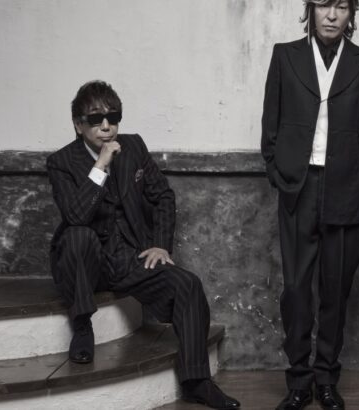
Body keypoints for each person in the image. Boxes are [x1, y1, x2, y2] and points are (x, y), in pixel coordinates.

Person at [47, 80, 240, 409]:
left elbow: (163, 196)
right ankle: (82, 326)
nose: (106, 126)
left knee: (188, 285)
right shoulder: (61, 162)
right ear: (78, 125)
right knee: (78, 234)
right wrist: (100, 165)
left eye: (113, 117)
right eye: (95, 119)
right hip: (87, 263)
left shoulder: (133, 146)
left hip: (130, 256)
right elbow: (76, 215)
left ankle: (196, 381)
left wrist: (161, 245)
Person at [261, 1, 359, 409]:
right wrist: (278, 172)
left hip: (347, 188)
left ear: (351, 13)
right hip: (298, 188)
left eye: (341, 6)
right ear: (311, 9)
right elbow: (270, 122)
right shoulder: (285, 56)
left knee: (336, 290)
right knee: (296, 290)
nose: (332, 15)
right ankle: (298, 381)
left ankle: (325, 378)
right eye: (324, 4)